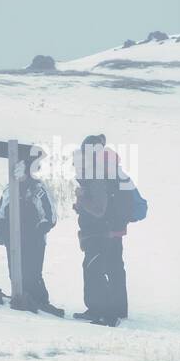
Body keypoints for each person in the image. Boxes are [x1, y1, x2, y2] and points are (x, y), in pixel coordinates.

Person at [72, 133, 143, 326]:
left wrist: (82, 199)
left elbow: (98, 210)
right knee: (113, 269)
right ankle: (116, 309)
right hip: (114, 230)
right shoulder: (110, 172)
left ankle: (104, 313)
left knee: (94, 270)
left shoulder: (98, 176)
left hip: (101, 233)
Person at [0, 148, 63, 317]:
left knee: (32, 273)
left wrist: (37, 233)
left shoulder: (37, 190)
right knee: (15, 272)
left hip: (35, 241)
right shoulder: (11, 189)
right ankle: (20, 299)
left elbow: (50, 216)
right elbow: (1, 211)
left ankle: (39, 303)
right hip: (13, 240)